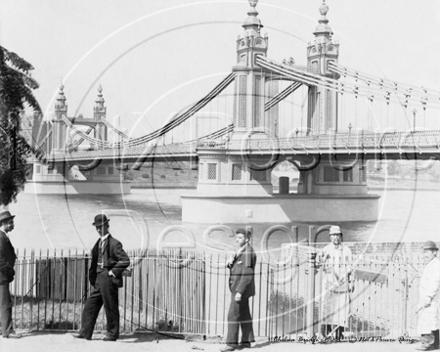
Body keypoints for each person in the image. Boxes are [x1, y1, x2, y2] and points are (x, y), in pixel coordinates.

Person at [72, 214, 130, 341]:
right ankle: (85, 332)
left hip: (109, 278)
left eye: (101, 227)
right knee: (90, 305)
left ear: (107, 226)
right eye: (97, 227)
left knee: (111, 307)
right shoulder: (98, 243)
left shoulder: (115, 243)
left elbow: (125, 260)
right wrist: (94, 277)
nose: (98, 229)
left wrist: (112, 272)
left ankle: (112, 334)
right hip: (99, 278)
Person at [221, 228, 257, 352]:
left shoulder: (248, 252)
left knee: (233, 315)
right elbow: (238, 267)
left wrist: (239, 292)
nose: (237, 240)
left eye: (240, 238)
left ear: (247, 239)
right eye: (237, 237)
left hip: (240, 290)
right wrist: (230, 263)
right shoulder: (241, 250)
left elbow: (248, 273)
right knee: (244, 314)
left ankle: (231, 344)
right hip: (238, 288)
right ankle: (246, 341)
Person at [316, 225, 353, 341]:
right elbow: (317, 264)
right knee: (327, 308)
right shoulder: (325, 249)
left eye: (337, 235)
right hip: (329, 284)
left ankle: (339, 334)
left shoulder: (347, 250)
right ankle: (325, 334)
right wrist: (321, 258)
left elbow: (351, 267)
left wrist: (351, 281)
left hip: (342, 285)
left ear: (341, 236)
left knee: (341, 309)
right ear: (330, 237)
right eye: (333, 235)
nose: (335, 237)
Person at [0, 210, 21, 338]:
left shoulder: (3, 237)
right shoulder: (1, 238)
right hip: (1, 276)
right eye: (10, 223)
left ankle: (2, 328)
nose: (13, 225)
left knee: (1, 302)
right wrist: (10, 270)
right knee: (5, 303)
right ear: (3, 223)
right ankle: (8, 330)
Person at [416, 240, 440, 351]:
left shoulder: (436, 265)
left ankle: (429, 344)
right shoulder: (431, 264)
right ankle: (435, 344)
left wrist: (428, 296)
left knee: (429, 320)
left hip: (431, 298)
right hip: (427, 297)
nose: (425, 254)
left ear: (434, 252)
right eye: (424, 252)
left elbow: (435, 282)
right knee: (430, 320)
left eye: (427, 252)